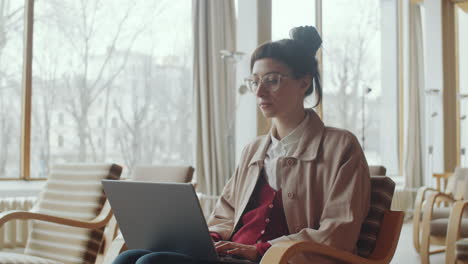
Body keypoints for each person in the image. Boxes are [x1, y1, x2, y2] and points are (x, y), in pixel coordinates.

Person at [113, 25, 370, 264]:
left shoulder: (341, 147)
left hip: (277, 260)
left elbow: (339, 232)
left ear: (304, 82)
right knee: (130, 257)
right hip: (228, 257)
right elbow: (225, 214)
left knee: (149, 262)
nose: (259, 92)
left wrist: (259, 250)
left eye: (272, 80)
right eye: (255, 81)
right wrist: (210, 239)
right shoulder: (253, 150)